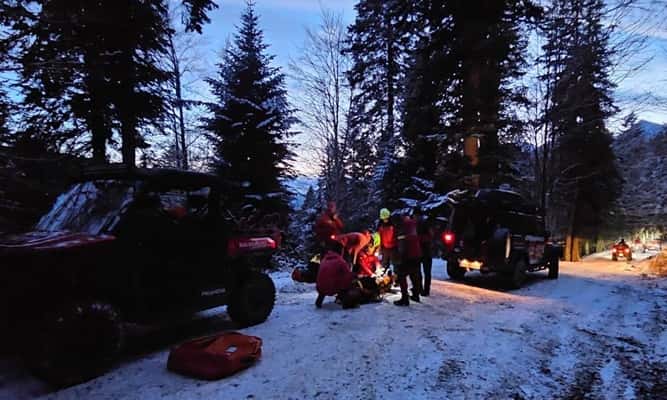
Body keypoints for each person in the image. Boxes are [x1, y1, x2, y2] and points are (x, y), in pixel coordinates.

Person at [315, 241, 358, 309]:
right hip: (332, 288)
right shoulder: (340, 261)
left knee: (328, 279)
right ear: (341, 251)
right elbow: (348, 275)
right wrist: (355, 276)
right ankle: (347, 302)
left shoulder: (324, 260)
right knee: (349, 283)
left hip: (320, 287)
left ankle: (319, 301)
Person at [394, 214, 422, 306]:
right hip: (416, 255)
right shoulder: (414, 225)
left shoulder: (403, 227)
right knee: (414, 275)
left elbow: (402, 243)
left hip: (407, 255)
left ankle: (404, 299)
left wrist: (400, 255)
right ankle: (416, 295)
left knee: (401, 276)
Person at [414, 207, 434, 296]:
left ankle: (425, 290)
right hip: (419, 252)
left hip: (425, 252)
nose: (415, 217)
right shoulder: (416, 224)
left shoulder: (425, 224)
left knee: (426, 273)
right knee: (418, 272)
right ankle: (420, 289)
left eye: (416, 215)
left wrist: (418, 238)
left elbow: (430, 236)